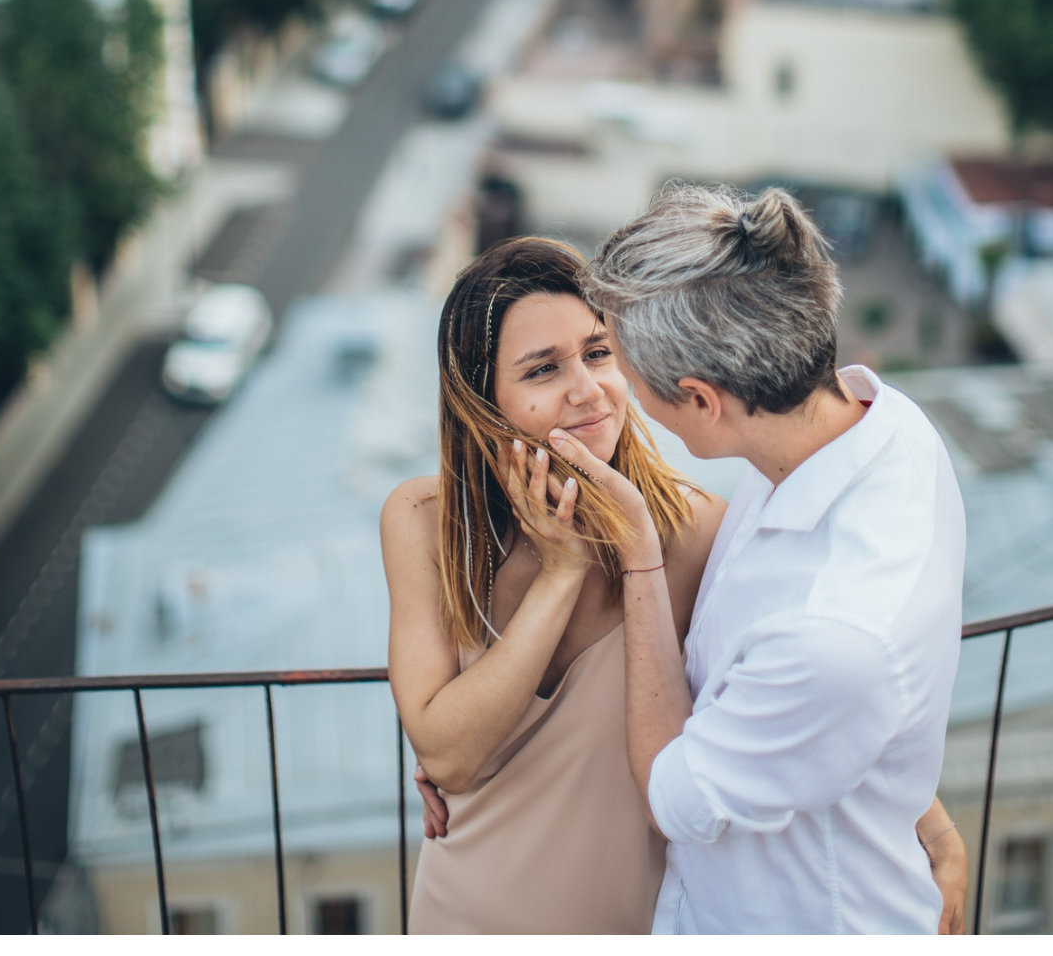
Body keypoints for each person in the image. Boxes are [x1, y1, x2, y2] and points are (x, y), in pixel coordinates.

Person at [382, 234, 967, 935]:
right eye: (542, 370)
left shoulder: (695, 533)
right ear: (482, 397)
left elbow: (803, 703)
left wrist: (931, 827)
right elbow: (447, 755)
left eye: (599, 354)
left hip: (641, 920)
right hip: (467, 913)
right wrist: (561, 573)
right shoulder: (427, 521)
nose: (587, 389)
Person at [535, 182, 969, 934]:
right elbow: (834, 719)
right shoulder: (887, 428)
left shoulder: (832, 632)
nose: (622, 399)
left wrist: (639, 555)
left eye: (633, 385)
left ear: (703, 401)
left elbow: (672, 801)